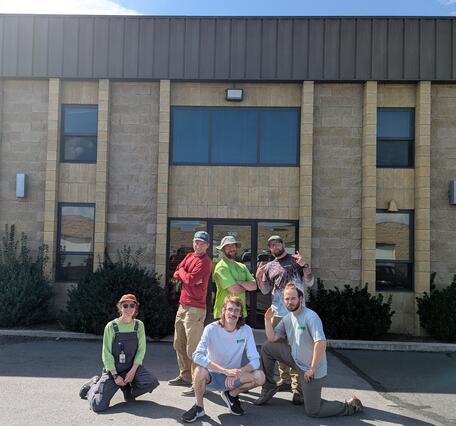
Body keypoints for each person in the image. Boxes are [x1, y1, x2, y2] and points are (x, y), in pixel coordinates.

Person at [255, 283, 364, 418]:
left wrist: (312, 369)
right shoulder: (288, 318)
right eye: (287, 299)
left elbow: (321, 343)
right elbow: (272, 338)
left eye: (293, 298)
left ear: (300, 299)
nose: (290, 302)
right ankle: (269, 386)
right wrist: (267, 320)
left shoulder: (310, 317)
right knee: (267, 347)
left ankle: (350, 406)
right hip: (295, 360)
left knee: (313, 411)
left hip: (311, 370)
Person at [182, 296, 265, 423]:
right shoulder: (211, 329)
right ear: (224, 311)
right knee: (199, 371)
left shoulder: (246, 330)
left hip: (233, 378)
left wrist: (238, 371)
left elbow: (255, 360)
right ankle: (199, 408)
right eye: (230, 309)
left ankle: (231, 395)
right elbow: (197, 355)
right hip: (212, 377)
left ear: (241, 314)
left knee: (260, 376)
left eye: (237, 310)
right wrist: (225, 371)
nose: (233, 313)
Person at [255, 235, 314, 405]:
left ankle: (298, 389)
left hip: (296, 314)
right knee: (278, 349)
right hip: (278, 313)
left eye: (277, 243)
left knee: (297, 350)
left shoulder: (296, 261)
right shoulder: (269, 266)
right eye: (271, 245)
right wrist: (259, 276)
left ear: (283, 245)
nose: (275, 247)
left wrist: (305, 266)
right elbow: (265, 291)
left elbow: (309, 282)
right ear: (270, 248)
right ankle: (285, 380)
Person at [79, 294, 159, 412]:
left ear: (136, 308)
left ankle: (129, 392)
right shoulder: (111, 326)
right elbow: (106, 353)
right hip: (113, 371)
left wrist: (132, 372)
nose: (128, 309)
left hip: (131, 368)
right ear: (120, 308)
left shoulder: (139, 325)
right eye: (125, 305)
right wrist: (116, 376)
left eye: (132, 305)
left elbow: (141, 350)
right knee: (98, 406)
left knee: (151, 381)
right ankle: (92, 387)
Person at [168, 231, 212, 397]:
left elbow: (191, 280)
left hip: (196, 308)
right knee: (179, 343)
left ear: (207, 246)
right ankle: (185, 376)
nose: (197, 245)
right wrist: (185, 275)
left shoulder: (206, 262)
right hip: (182, 306)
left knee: (193, 349)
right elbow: (177, 271)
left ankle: (198, 383)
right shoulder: (189, 256)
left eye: (201, 243)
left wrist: (185, 276)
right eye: (196, 242)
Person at [212, 235, 257, 320]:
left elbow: (254, 286)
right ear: (223, 249)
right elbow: (234, 289)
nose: (231, 248)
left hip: (240, 313)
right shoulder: (221, 267)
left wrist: (240, 283)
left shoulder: (242, 266)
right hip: (223, 314)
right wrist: (247, 286)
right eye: (228, 246)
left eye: (233, 245)